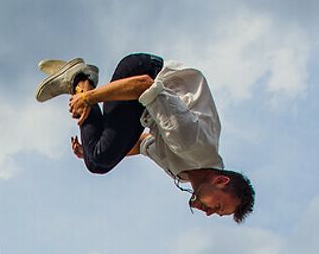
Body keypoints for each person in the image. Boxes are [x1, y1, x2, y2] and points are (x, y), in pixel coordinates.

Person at [35, 55, 255, 221]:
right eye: (217, 207)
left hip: (141, 104)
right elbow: (144, 84)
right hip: (142, 72)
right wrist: (87, 99)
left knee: (97, 157)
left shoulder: (184, 172)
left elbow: (141, 144)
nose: (208, 214)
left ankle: (81, 81)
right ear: (220, 181)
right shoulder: (192, 143)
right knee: (100, 160)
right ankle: (80, 79)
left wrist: (91, 149)